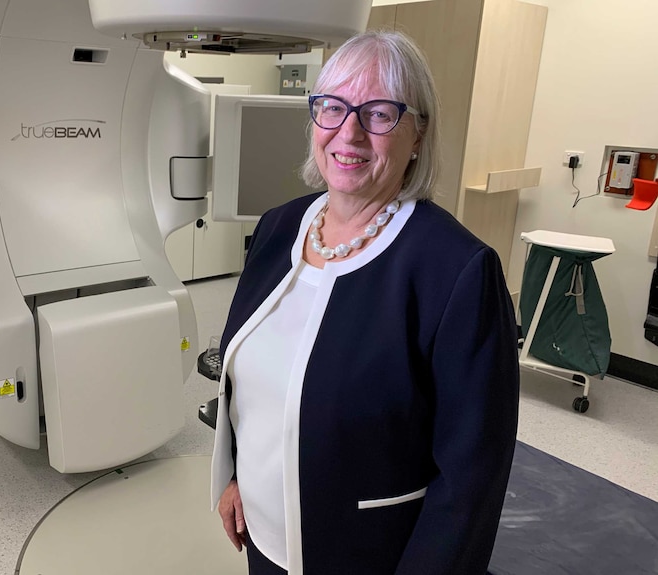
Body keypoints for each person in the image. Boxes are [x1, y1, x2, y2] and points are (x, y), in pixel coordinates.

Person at [210, 29, 519, 574]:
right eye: (332, 108)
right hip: (263, 542)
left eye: (379, 114)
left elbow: (472, 478)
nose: (348, 133)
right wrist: (239, 478)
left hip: (369, 555)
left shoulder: (456, 271)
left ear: (418, 132)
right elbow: (254, 387)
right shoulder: (278, 228)